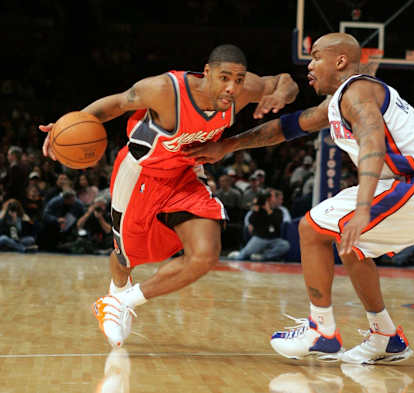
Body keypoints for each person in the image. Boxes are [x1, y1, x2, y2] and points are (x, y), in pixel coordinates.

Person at [185, 33, 414, 364]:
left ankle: (322, 330)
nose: (310, 65)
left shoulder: (357, 92)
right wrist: (227, 145)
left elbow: (372, 138)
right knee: (351, 247)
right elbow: (287, 127)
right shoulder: (337, 102)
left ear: (341, 61)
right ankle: (386, 337)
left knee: (311, 228)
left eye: (316, 57)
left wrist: (363, 207)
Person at [39, 44, 299, 348]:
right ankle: (117, 289)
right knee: (125, 257)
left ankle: (122, 304)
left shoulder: (242, 90)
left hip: (185, 175)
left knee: (204, 255)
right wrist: (71, 123)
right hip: (141, 175)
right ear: (207, 73)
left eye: (239, 80)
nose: (232, 87)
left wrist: (282, 94)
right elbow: (116, 104)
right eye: (225, 78)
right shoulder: (164, 89)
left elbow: (285, 80)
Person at [228, 191, 290, 261]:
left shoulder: (279, 211)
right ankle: (238, 254)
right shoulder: (260, 210)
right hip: (260, 238)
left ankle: (263, 256)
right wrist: (256, 210)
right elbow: (251, 221)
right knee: (242, 256)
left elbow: (276, 222)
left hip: (273, 239)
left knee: (285, 245)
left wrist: (268, 210)